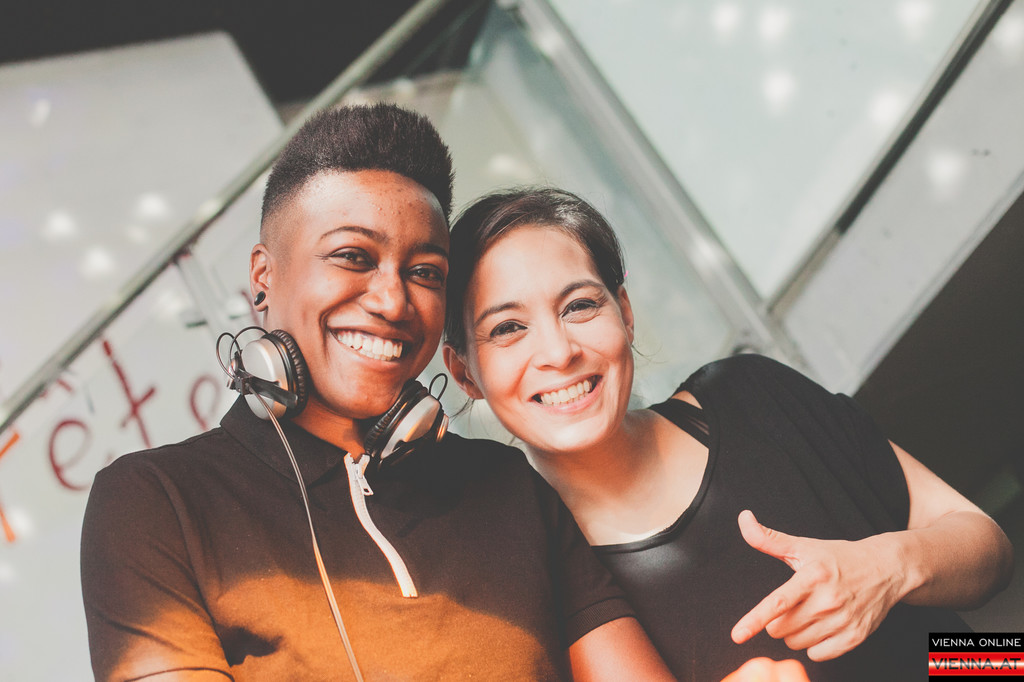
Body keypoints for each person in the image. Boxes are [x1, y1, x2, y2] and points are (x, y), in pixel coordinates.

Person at [79, 105, 807, 682]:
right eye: (353, 257)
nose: (393, 300)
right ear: (263, 277)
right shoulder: (154, 501)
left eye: (425, 271)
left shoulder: (505, 485)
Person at [441, 187, 1014, 682]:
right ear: (464, 372)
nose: (558, 351)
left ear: (625, 312)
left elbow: (991, 552)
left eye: (580, 305)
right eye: (508, 328)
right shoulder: (538, 588)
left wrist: (891, 566)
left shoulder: (752, 394)